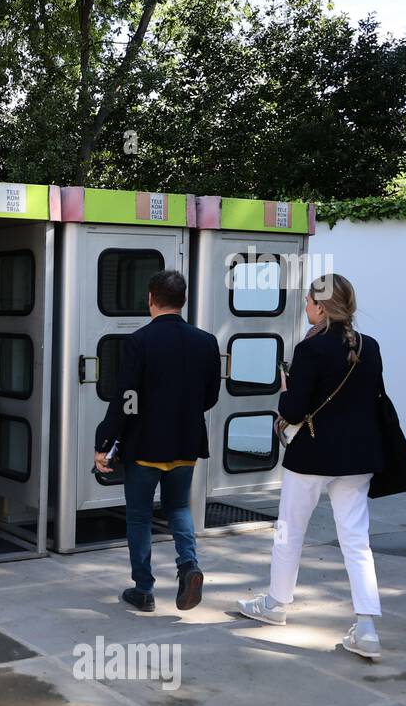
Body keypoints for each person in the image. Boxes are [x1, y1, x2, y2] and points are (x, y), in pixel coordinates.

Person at [236, 274, 385, 660]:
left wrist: (286, 393)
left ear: (320, 307)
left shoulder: (310, 349)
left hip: (313, 455)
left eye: (307, 302)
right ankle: (367, 627)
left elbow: (293, 410)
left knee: (290, 529)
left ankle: (276, 603)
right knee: (356, 539)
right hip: (357, 458)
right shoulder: (370, 347)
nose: (305, 308)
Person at [95, 270, 221, 612]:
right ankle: (188, 566)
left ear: (150, 299)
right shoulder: (206, 341)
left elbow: (126, 399)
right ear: (183, 301)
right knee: (179, 507)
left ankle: (144, 589)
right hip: (186, 443)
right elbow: (210, 397)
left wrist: (104, 441)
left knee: (138, 516)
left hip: (145, 445)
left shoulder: (139, 342)